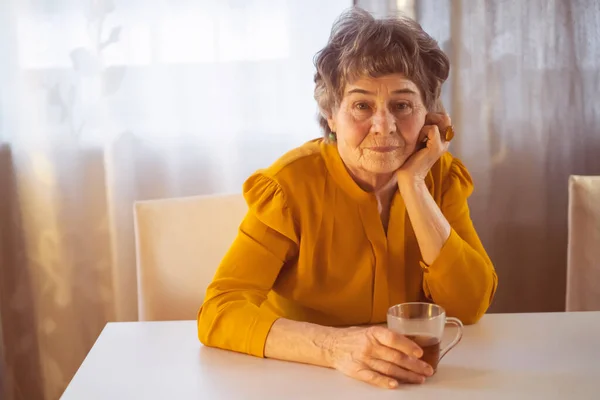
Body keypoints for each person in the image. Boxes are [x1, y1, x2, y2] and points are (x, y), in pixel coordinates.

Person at [197, 7, 497, 389]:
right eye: (361, 105)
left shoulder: (439, 177)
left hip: (411, 383)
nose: (383, 125)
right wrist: (335, 347)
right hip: (300, 381)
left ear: (430, 116)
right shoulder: (288, 188)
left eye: (402, 105)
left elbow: (468, 307)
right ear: (330, 115)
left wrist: (413, 183)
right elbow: (219, 311)